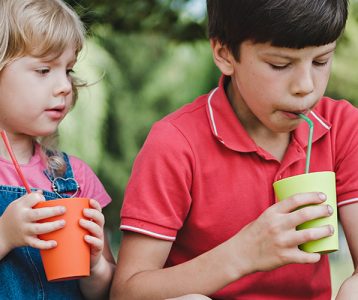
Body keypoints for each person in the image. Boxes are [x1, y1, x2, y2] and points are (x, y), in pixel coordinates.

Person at [111, 0, 358, 299]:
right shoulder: (176, 144)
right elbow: (127, 292)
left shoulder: (342, 127)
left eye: (321, 61)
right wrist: (242, 254)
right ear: (224, 54)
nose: (306, 86)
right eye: (280, 64)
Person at [0, 0, 115, 299]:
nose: (64, 85)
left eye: (68, 70)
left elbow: (106, 294)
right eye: (43, 69)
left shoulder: (76, 178)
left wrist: (96, 267)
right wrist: (4, 235)